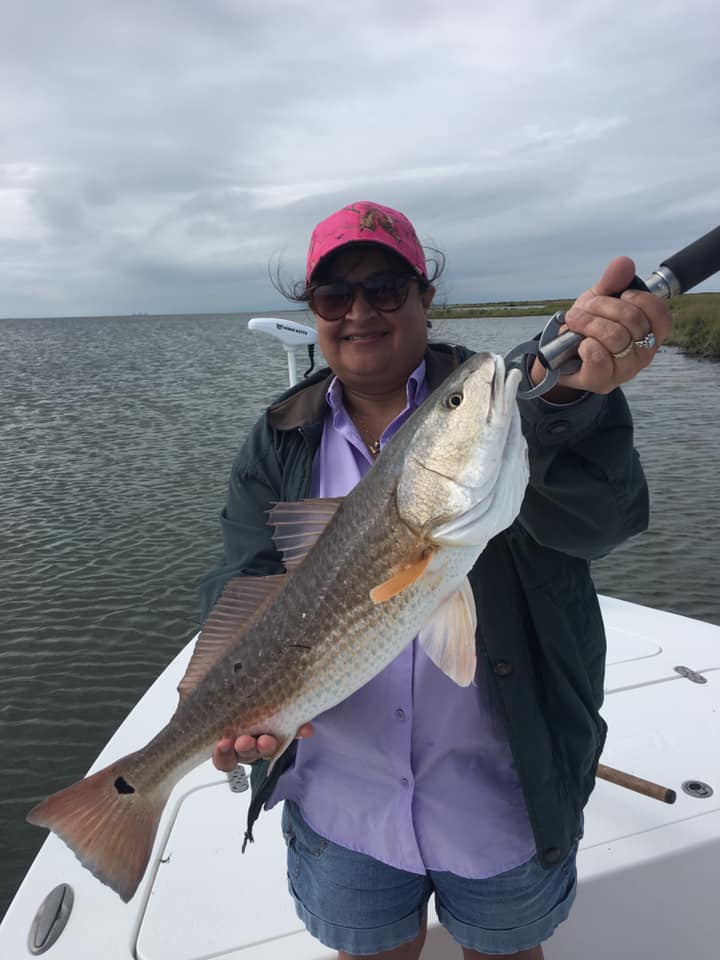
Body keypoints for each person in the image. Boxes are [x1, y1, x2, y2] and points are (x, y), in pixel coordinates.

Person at [200, 201, 671, 960]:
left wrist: (572, 402)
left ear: (425, 296)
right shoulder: (277, 437)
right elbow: (243, 576)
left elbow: (600, 522)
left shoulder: (507, 403)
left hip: (503, 792)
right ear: (313, 313)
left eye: (386, 288)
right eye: (333, 296)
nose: (359, 312)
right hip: (340, 799)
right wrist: (231, 699)